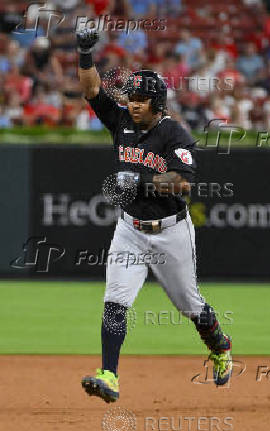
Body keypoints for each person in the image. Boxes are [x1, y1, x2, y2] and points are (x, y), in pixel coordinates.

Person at [76, 28, 233, 403]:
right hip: (129, 229)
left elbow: (182, 183)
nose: (134, 103)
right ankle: (109, 375)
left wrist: (140, 180)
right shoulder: (122, 123)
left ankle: (221, 346)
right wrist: (84, 53)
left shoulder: (174, 134)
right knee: (115, 300)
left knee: (190, 305)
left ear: (158, 102)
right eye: (132, 97)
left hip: (170, 233)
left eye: (143, 99)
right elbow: (92, 91)